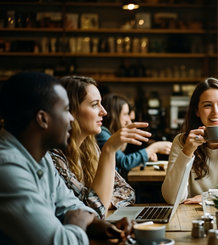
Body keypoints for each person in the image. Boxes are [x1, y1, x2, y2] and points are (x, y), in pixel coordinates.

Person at [0, 72, 132, 245]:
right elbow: (60, 241)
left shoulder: (42, 158)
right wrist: (78, 223)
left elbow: (73, 207)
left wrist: (106, 227)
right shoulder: (7, 168)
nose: (71, 118)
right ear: (43, 119)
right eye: (65, 110)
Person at [50, 76, 151, 219]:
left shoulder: (90, 148)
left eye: (101, 104)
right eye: (94, 104)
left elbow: (127, 191)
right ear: (71, 111)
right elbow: (93, 211)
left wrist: (103, 202)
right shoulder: (54, 157)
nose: (104, 112)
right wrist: (109, 149)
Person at [96, 93, 172, 177]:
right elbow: (125, 162)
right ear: (114, 115)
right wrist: (154, 148)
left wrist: (146, 158)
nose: (129, 119)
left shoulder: (109, 133)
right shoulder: (102, 133)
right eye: (125, 114)